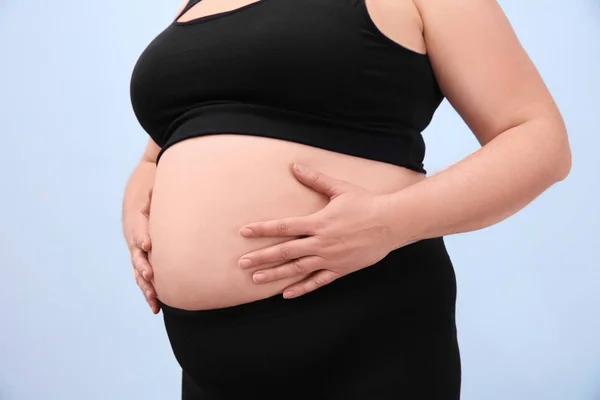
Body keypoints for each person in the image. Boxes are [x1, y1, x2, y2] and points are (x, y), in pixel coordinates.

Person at [122, 0, 572, 398]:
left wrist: (390, 222)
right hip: (206, 365)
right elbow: (167, 139)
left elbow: (540, 140)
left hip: (364, 332)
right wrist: (140, 185)